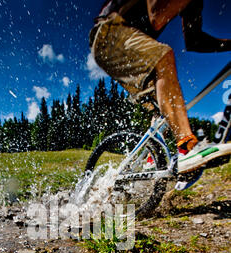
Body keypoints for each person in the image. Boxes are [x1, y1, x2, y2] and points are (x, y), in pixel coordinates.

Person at [90, 0, 231, 175]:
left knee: (164, 99)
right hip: (109, 32)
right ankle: (186, 148)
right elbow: (156, 16)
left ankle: (152, 160)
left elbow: (194, 40)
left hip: (126, 38)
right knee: (163, 57)